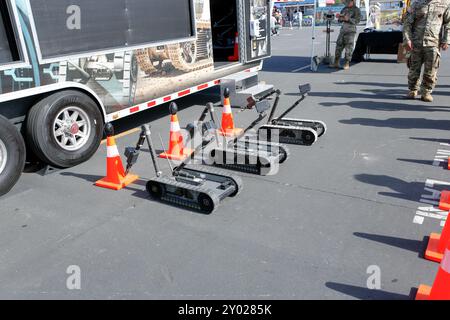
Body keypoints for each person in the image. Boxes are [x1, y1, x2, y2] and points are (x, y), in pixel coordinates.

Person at [403, 0, 450, 102]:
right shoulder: (416, 3)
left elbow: (448, 23)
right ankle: (413, 89)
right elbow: (407, 23)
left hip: (433, 43)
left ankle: (426, 92)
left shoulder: (445, 3)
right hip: (416, 43)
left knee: (431, 70)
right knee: (414, 68)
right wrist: (407, 39)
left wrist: (446, 40)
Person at [330, 0, 361, 70]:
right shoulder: (344, 9)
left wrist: (348, 19)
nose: (347, 3)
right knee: (338, 45)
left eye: (348, 2)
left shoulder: (356, 10)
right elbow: (340, 20)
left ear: (352, 1)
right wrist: (340, 18)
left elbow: (357, 21)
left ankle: (347, 63)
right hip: (343, 30)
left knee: (349, 47)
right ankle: (336, 62)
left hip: (350, 31)